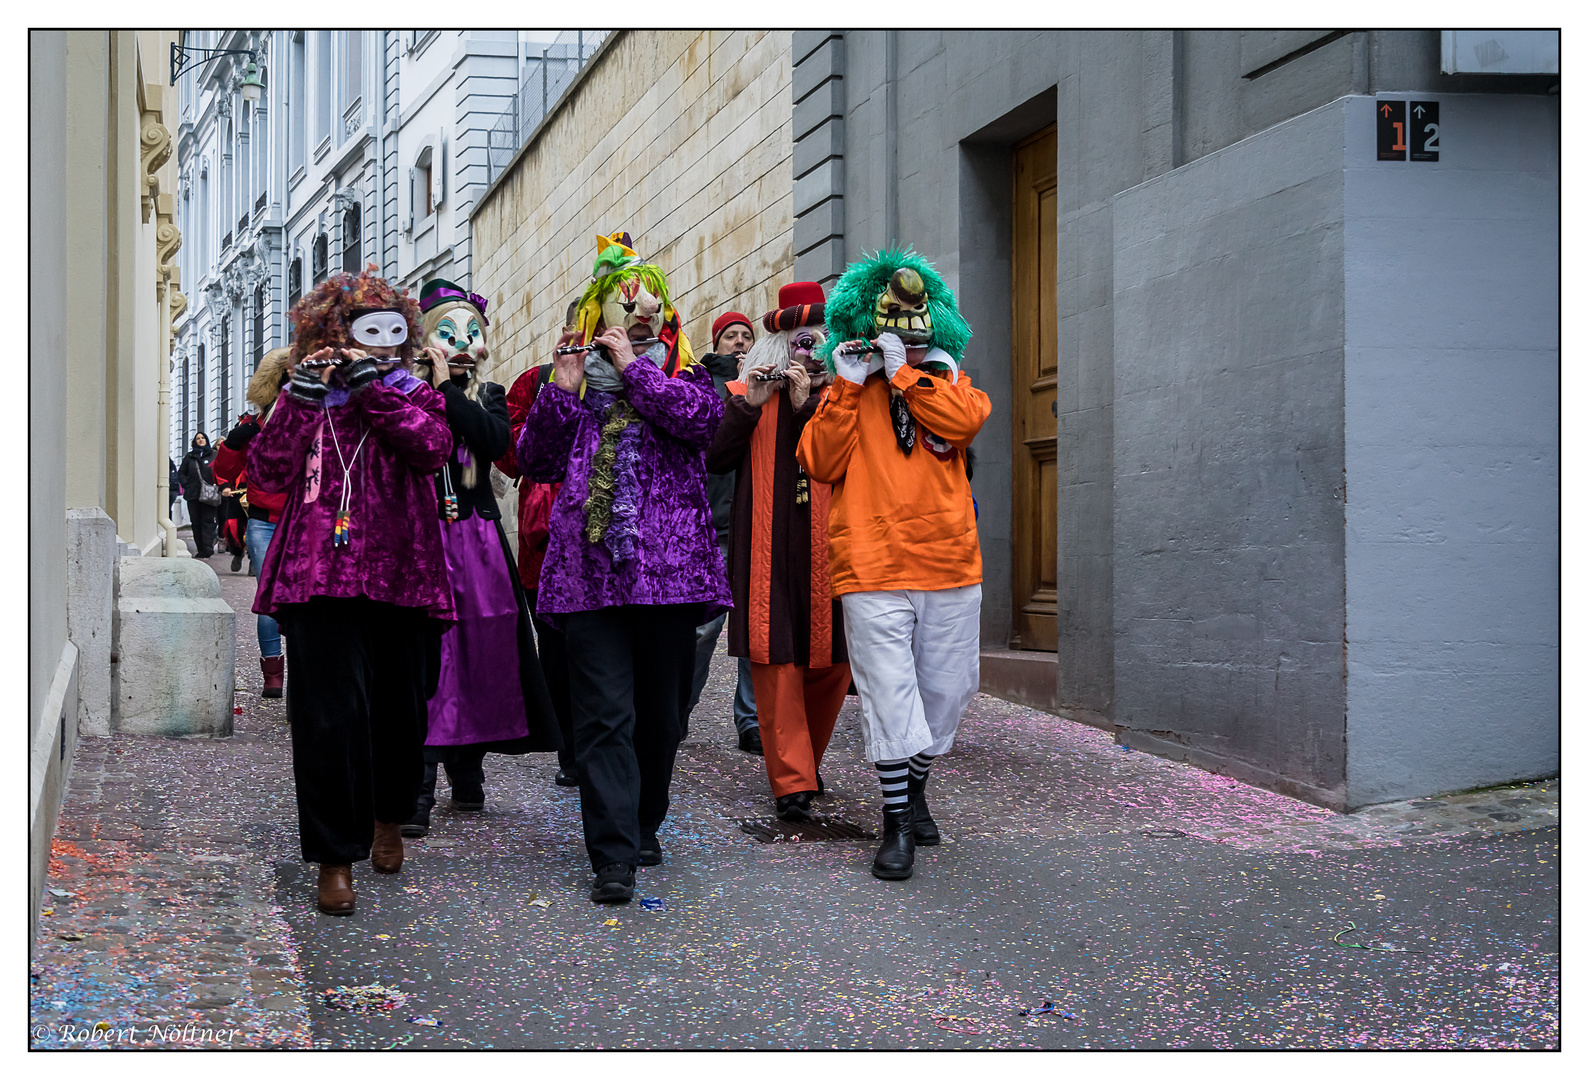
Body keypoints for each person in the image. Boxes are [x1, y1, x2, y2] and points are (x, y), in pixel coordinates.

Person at [518, 231, 728, 904]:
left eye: (650, 303)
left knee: (660, 718)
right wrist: (563, 387)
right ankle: (611, 855)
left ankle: (643, 822)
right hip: (589, 579)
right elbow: (537, 463)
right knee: (604, 717)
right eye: (624, 302)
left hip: (668, 581)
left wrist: (638, 369)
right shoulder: (577, 392)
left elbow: (698, 425)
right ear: (598, 316)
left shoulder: (686, 378)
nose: (639, 311)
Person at [248, 265, 454, 916]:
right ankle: (334, 857)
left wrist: (374, 391)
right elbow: (268, 471)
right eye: (366, 333)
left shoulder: (416, 394)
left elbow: (430, 448)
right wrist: (303, 395)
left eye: (392, 335)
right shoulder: (304, 395)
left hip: (403, 573)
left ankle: (388, 817)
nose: (381, 346)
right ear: (333, 333)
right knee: (325, 719)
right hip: (319, 575)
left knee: (400, 711)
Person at [797, 249, 991, 881]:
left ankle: (918, 787)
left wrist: (906, 373)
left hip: (950, 562)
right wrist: (851, 382)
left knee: (946, 691)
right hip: (872, 565)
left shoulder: (945, 378)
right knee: (889, 693)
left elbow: (964, 421)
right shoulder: (845, 392)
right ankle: (897, 819)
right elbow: (820, 462)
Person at [403, 278, 562, 838]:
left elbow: (493, 443)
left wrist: (449, 391)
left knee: (481, 652)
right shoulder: (403, 395)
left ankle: (468, 774)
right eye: (448, 333)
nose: (462, 342)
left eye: (471, 333)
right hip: (422, 541)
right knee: (429, 657)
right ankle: (418, 787)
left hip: (476, 540)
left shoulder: (487, 396)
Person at [706, 282, 849, 822]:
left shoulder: (842, 396)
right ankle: (791, 780)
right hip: (765, 550)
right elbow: (717, 460)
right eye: (795, 341)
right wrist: (751, 402)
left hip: (829, 550)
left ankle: (805, 759)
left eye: (814, 342)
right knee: (775, 660)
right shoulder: (750, 395)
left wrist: (809, 403)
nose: (804, 353)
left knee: (833, 662)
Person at [497, 299, 582, 790]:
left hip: (607, 538)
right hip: (545, 540)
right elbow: (512, 457)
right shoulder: (534, 382)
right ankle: (570, 747)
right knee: (554, 649)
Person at [691, 310, 762, 753]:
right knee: (703, 630)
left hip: (756, 521)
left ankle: (751, 720)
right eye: (731, 337)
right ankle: (678, 710)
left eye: (746, 337)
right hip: (714, 523)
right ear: (717, 345)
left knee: (756, 628)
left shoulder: (768, 385)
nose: (739, 342)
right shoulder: (702, 385)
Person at [212, 352, 294, 698]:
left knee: (305, 598)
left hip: (304, 520)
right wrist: (233, 443)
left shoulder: (318, 418)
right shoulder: (256, 425)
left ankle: (303, 672)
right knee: (270, 596)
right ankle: (273, 672)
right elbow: (225, 473)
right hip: (263, 522)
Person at [178, 433, 219, 557]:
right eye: (198, 439)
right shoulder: (190, 457)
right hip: (193, 495)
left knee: (208, 521)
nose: (200, 440)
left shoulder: (214, 455)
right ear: (195, 442)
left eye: (202, 438)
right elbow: (181, 473)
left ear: (206, 440)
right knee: (196, 522)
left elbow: (221, 470)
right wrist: (187, 485)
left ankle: (208, 548)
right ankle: (200, 549)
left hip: (210, 495)